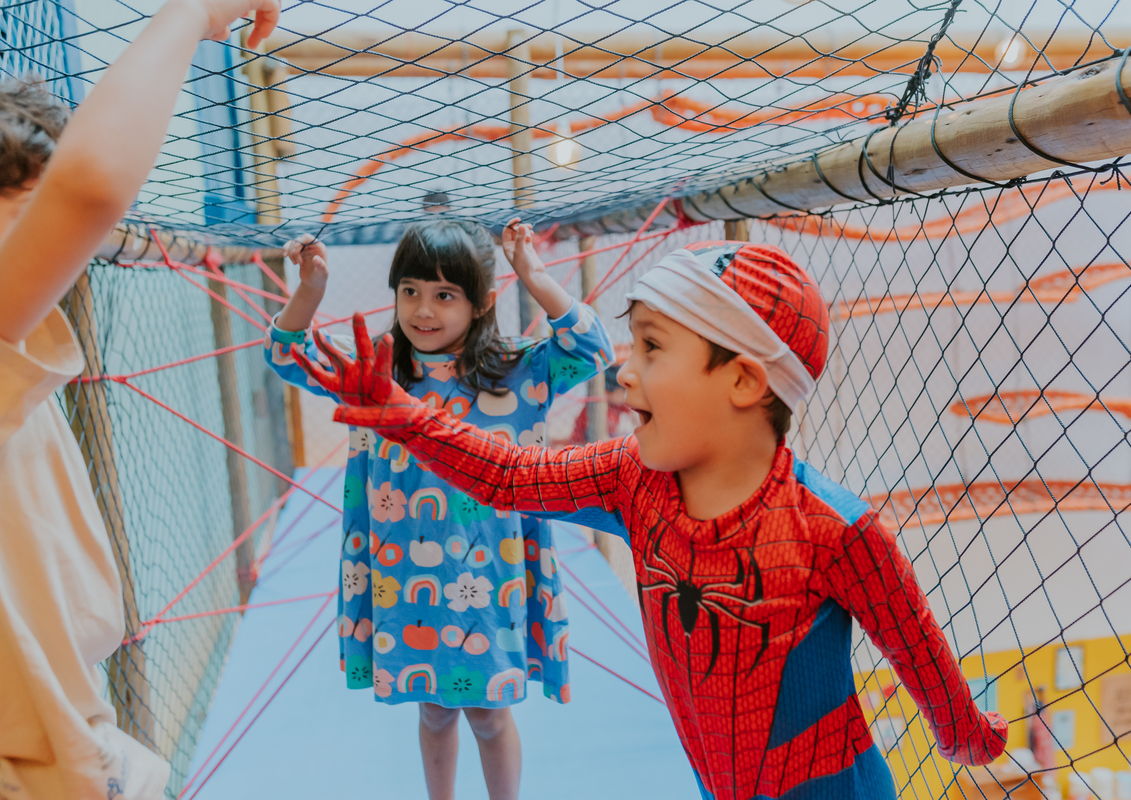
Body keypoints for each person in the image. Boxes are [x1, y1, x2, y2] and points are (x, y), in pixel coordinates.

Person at [290, 241, 1009, 800]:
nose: (625, 372)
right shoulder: (633, 479)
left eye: (653, 348)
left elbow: (923, 660)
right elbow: (510, 475)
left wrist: (971, 738)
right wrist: (405, 416)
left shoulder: (836, 531)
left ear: (743, 380)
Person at [0, 2, 280, 798]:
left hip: (78, 736)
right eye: (22, 216)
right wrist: (194, 13)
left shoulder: (22, 360)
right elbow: (90, 187)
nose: (55, 255)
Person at [264, 217, 613, 800]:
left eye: (445, 295)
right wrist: (311, 290)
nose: (423, 310)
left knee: (490, 714)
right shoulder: (376, 373)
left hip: (491, 575)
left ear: (482, 304)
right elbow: (286, 355)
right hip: (404, 573)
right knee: (433, 709)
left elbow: (591, 347)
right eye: (410, 291)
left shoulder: (517, 371)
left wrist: (534, 273)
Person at [565, 363, 639, 445]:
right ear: (607, 392)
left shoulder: (619, 406)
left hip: (608, 439)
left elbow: (634, 420)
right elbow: (577, 438)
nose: (623, 397)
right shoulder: (590, 409)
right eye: (620, 393)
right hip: (589, 442)